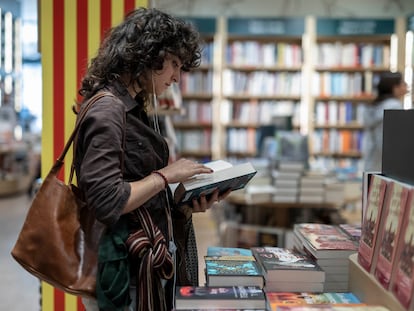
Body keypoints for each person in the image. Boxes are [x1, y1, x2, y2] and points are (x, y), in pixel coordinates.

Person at [73, 8, 229, 311]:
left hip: (138, 264)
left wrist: (184, 203)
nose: (176, 77)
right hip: (123, 272)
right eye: (173, 64)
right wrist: (166, 175)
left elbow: (133, 188)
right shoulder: (108, 111)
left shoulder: (129, 106)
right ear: (148, 55)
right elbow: (107, 201)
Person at [363, 71, 408, 172]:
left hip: (372, 161)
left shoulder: (374, 107)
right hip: (387, 165)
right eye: (403, 83)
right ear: (394, 87)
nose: (406, 86)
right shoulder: (394, 107)